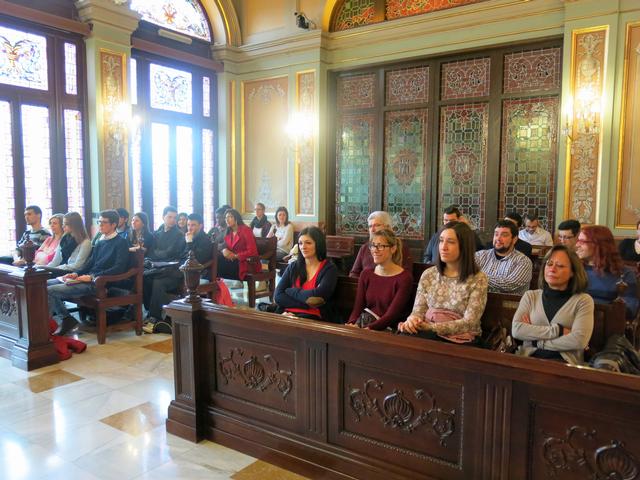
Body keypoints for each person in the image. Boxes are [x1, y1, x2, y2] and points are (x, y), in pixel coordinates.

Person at [398, 222, 488, 343]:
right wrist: (413, 320)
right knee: (403, 339)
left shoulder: (478, 279)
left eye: (450, 242)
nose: (443, 247)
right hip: (427, 332)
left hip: (461, 337)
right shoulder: (429, 274)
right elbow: (418, 311)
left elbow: (469, 322)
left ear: (464, 246)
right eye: (441, 241)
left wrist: (432, 327)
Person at [47, 210, 130, 335]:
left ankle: (65, 319)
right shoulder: (101, 241)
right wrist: (76, 273)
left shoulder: (121, 242)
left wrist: (92, 277)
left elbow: (119, 268)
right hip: (88, 279)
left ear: (113, 225)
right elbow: (90, 263)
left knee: (49, 291)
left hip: (100, 283)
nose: (100, 225)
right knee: (43, 284)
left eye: (104, 222)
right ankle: (58, 321)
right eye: (99, 222)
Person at [512, 245, 594, 365]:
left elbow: (579, 340)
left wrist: (536, 341)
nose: (552, 269)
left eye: (560, 266)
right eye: (549, 264)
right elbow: (517, 330)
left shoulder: (583, 300)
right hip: (528, 360)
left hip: (565, 364)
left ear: (572, 272)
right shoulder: (531, 296)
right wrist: (559, 331)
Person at [143, 213, 213, 333]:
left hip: (188, 275)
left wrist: (189, 242)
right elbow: (180, 255)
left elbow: (196, 260)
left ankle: (156, 318)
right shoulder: (187, 236)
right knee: (147, 277)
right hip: (177, 269)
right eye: (189, 225)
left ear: (200, 226)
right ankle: (155, 314)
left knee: (158, 282)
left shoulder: (205, 240)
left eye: (193, 225)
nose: (190, 228)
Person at [347, 229, 413, 330]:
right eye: (373, 246)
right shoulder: (366, 274)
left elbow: (391, 315)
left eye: (380, 246)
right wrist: (351, 324)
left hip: (388, 329)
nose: (375, 250)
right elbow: (357, 308)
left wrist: (368, 329)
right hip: (364, 324)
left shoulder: (404, 278)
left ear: (393, 249)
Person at [275, 226, 338, 321]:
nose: (303, 247)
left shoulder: (329, 269)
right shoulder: (293, 266)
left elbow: (318, 297)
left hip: (312, 317)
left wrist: (290, 291)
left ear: (318, 244)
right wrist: (305, 304)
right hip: (287, 314)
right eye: (300, 243)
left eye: (308, 243)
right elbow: (278, 296)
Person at [576, 225, 638, 319]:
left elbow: (630, 309)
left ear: (598, 245)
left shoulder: (624, 273)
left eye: (582, 241)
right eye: (578, 240)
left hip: (607, 323)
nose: (577, 245)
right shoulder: (575, 269)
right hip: (575, 321)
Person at [143, 207, 186, 320]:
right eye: (169, 217)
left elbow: (170, 253)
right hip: (158, 269)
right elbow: (151, 253)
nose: (172, 220)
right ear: (163, 217)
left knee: (157, 282)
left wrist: (158, 254)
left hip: (172, 272)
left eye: (174, 218)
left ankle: (155, 317)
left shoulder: (179, 235)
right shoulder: (157, 234)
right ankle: (148, 310)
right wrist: (160, 255)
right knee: (143, 278)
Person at [475, 220, 532, 295]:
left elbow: (509, 284)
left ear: (514, 239)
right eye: (496, 234)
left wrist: (477, 278)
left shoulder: (523, 261)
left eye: (504, 235)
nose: (498, 239)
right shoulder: (480, 255)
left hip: (509, 302)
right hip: (479, 300)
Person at [349, 211, 412, 277]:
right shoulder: (365, 248)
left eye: (377, 225)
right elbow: (354, 273)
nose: (372, 230)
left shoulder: (400, 247)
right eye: (370, 226)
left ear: (387, 227)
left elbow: (406, 275)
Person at [218, 208, 261, 280]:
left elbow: (252, 251)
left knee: (224, 265)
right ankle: (219, 285)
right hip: (234, 261)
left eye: (230, 217)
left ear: (236, 218)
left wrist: (236, 256)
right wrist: (223, 250)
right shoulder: (228, 232)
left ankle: (231, 284)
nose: (227, 220)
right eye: (226, 218)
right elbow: (220, 245)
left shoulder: (246, 230)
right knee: (218, 262)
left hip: (247, 262)